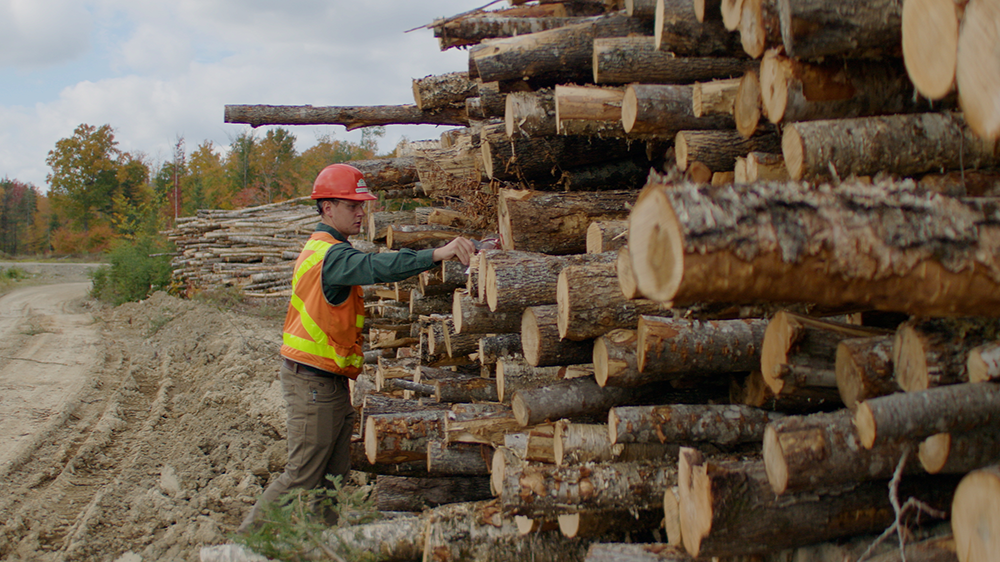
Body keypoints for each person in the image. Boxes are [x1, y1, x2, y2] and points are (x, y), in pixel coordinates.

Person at [237, 163, 475, 534]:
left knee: (332, 476)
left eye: (361, 205)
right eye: (352, 205)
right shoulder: (331, 257)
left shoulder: (330, 250)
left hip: (327, 381)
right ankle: (243, 548)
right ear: (328, 208)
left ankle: (322, 543)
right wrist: (436, 254)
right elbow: (378, 266)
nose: (361, 212)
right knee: (302, 475)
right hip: (311, 382)